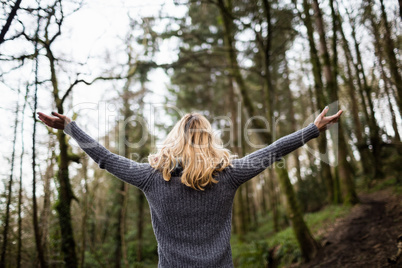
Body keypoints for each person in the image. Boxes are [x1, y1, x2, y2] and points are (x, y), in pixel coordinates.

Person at [37, 107, 342, 267]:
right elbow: (271, 151)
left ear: (173, 139)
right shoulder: (229, 174)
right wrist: (312, 130)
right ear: (209, 139)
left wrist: (70, 127)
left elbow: (104, 157)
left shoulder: (150, 177)